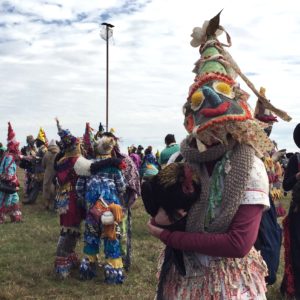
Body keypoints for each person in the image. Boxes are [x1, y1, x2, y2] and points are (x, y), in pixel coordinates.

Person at [145, 11, 290, 299]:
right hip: (184, 275)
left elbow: (238, 244)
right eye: (199, 100)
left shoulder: (249, 166)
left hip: (228, 283)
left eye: (220, 93)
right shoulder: (183, 159)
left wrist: (169, 236)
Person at [53, 119, 85, 279]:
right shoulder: (75, 161)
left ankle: (69, 256)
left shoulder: (62, 161)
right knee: (69, 229)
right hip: (72, 199)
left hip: (65, 198)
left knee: (71, 228)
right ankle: (62, 263)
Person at [281, 123, 300, 298]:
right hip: (298, 213)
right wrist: (297, 176)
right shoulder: (296, 160)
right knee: (297, 252)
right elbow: (285, 185)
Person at [0, 123, 22, 224]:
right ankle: (1, 219)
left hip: (10, 182)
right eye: (17, 146)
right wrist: (14, 182)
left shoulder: (10, 156)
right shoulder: (9, 157)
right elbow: (8, 173)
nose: (18, 148)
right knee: (5, 201)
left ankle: (16, 218)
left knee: (14, 199)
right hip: (7, 183)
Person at [42, 139, 59, 210]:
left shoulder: (46, 154)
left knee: (46, 187)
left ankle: (47, 204)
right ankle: (54, 205)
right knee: (55, 188)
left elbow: (43, 164)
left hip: (48, 173)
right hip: (56, 173)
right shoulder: (58, 153)